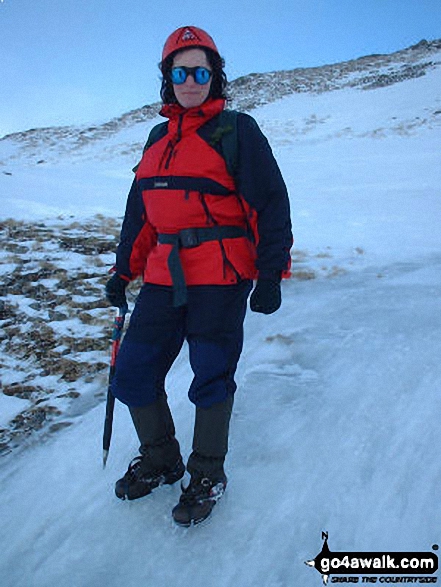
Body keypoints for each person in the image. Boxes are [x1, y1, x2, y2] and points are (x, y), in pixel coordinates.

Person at [105, 25, 293, 526]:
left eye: (201, 71)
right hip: (163, 276)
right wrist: (123, 271)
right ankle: (162, 459)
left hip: (221, 276)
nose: (191, 80)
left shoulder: (237, 130)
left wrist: (270, 273)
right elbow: (140, 215)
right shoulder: (156, 139)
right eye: (180, 71)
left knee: (210, 376)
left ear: (215, 76)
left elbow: (270, 203)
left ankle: (207, 473)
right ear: (168, 78)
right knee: (133, 373)